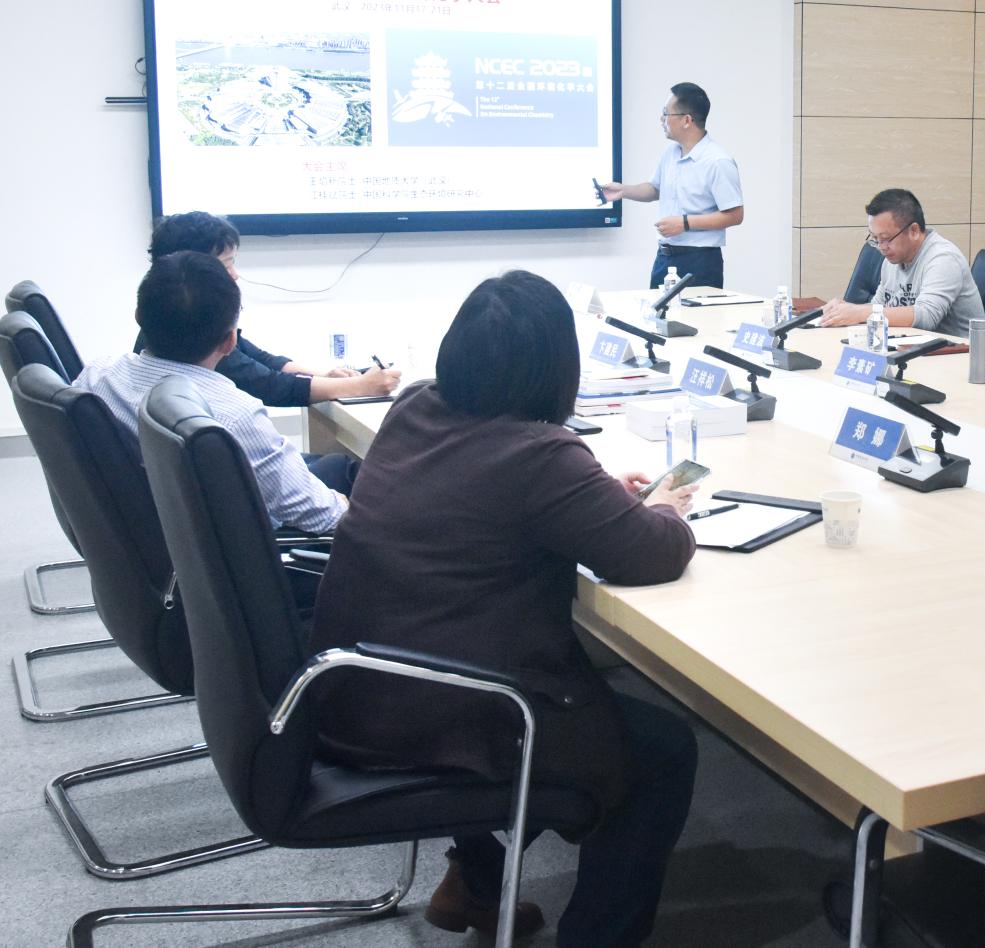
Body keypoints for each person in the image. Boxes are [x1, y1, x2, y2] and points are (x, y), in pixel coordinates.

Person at [309, 270, 701, 946]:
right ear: (557, 367)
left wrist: (594, 494)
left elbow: (488, 492)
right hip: (446, 707)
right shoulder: (540, 455)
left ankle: (479, 882)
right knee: (661, 754)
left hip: (357, 683)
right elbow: (651, 553)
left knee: (572, 722)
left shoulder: (415, 405)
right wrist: (665, 509)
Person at [76, 251, 346, 534]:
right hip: (257, 550)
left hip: (149, 535)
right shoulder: (232, 415)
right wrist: (342, 504)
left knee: (337, 467)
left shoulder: (96, 377)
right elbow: (326, 518)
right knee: (355, 479)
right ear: (230, 342)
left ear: (138, 317)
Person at [141, 211, 401, 405]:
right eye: (226, 264)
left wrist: (327, 376)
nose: (234, 275)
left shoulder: (159, 321)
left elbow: (260, 360)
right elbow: (269, 385)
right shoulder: (192, 334)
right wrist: (360, 386)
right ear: (193, 269)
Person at [597, 82, 744, 289]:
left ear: (687, 120)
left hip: (700, 261)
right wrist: (623, 191)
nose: (661, 119)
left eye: (666, 113)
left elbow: (735, 215)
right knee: (657, 311)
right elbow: (655, 189)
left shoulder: (717, 161)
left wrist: (685, 223)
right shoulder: (671, 152)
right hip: (664, 258)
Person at [819, 188, 985, 336]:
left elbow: (927, 316)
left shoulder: (943, 259)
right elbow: (877, 307)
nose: (881, 247)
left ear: (913, 231)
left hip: (958, 354)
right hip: (912, 348)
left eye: (886, 238)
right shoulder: (891, 260)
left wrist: (859, 312)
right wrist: (844, 309)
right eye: (875, 238)